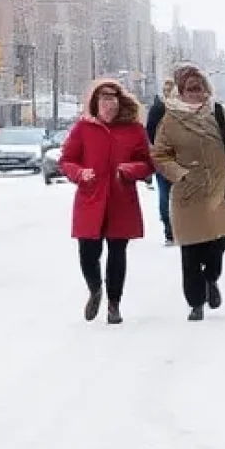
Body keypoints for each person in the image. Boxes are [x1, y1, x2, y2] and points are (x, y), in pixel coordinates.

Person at [150, 65, 225, 321]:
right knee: (191, 250)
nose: (195, 92)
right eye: (189, 88)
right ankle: (195, 303)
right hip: (187, 193)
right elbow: (159, 154)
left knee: (218, 244)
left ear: (206, 89)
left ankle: (211, 279)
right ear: (181, 91)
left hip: (220, 188)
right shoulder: (170, 119)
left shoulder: (217, 112)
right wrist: (179, 174)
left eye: (199, 87)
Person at [57, 79, 154, 324]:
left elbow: (148, 163)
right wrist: (80, 174)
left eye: (112, 98)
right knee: (88, 252)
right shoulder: (83, 129)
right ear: (95, 103)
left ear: (120, 102)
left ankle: (114, 304)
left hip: (121, 199)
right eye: (103, 99)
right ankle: (94, 289)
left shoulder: (134, 130)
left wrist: (130, 170)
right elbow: (67, 160)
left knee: (117, 252)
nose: (108, 104)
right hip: (91, 198)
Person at [144, 77, 177, 244]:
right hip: (165, 159)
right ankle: (170, 230)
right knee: (166, 195)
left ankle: (174, 230)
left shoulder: (161, 108)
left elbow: (149, 131)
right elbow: (149, 131)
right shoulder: (160, 108)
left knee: (169, 195)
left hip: (172, 159)